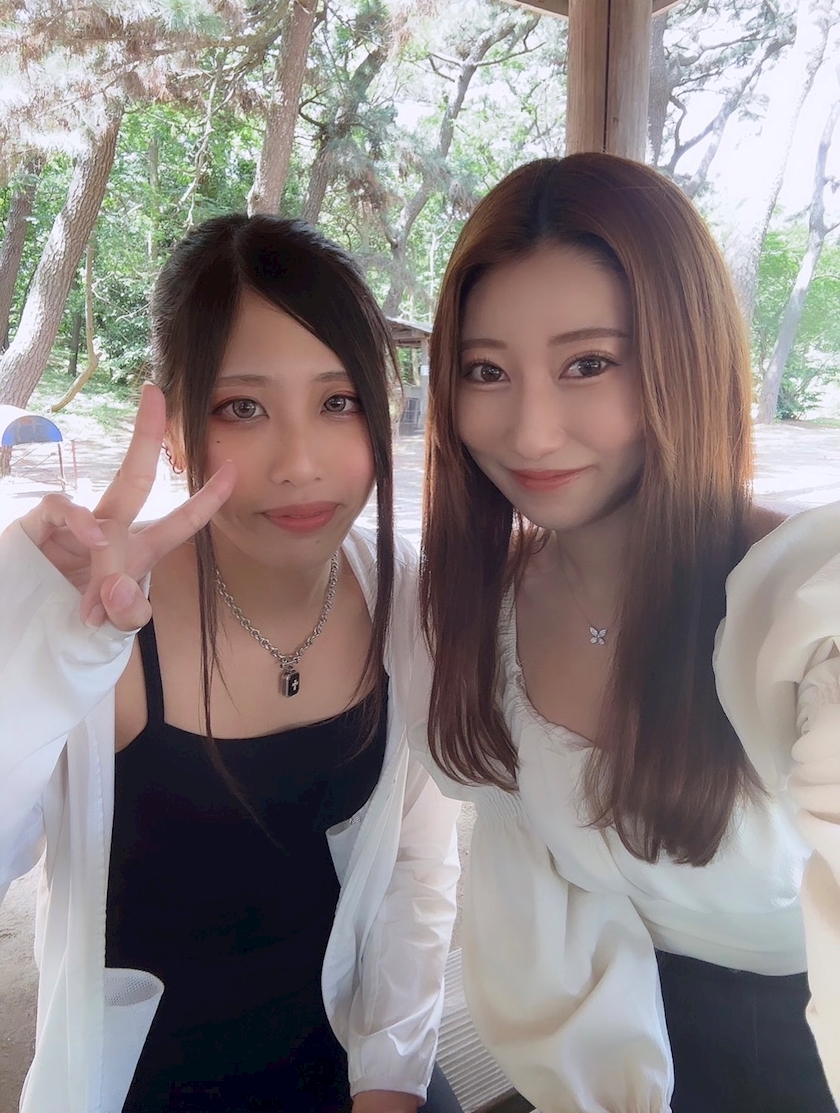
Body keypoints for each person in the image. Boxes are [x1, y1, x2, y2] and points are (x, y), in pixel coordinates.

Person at [0, 214, 462, 1113]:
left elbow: (417, 867)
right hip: (138, 1083)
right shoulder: (102, 620)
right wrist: (39, 639)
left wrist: (390, 1083)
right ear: (173, 427)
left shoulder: (405, 598)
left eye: (339, 401)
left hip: (352, 1059)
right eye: (242, 408)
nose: (300, 463)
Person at [411, 153, 840, 1113]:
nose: (530, 432)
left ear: (684, 358)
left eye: (588, 364)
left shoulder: (811, 605)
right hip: (602, 1061)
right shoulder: (486, 614)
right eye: (486, 371)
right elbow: (542, 921)